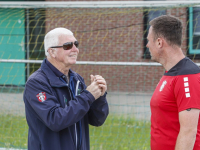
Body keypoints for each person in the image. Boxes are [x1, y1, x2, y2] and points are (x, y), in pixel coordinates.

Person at [23, 27, 109, 150]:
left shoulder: (76, 79)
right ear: (52, 52)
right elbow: (55, 120)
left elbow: (96, 120)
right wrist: (88, 95)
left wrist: (99, 96)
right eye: (68, 45)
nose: (75, 49)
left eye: (76, 44)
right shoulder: (36, 83)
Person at [147, 15, 200, 150]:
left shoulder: (187, 77)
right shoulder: (170, 73)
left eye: (149, 40)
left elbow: (189, 132)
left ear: (159, 42)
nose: (147, 45)